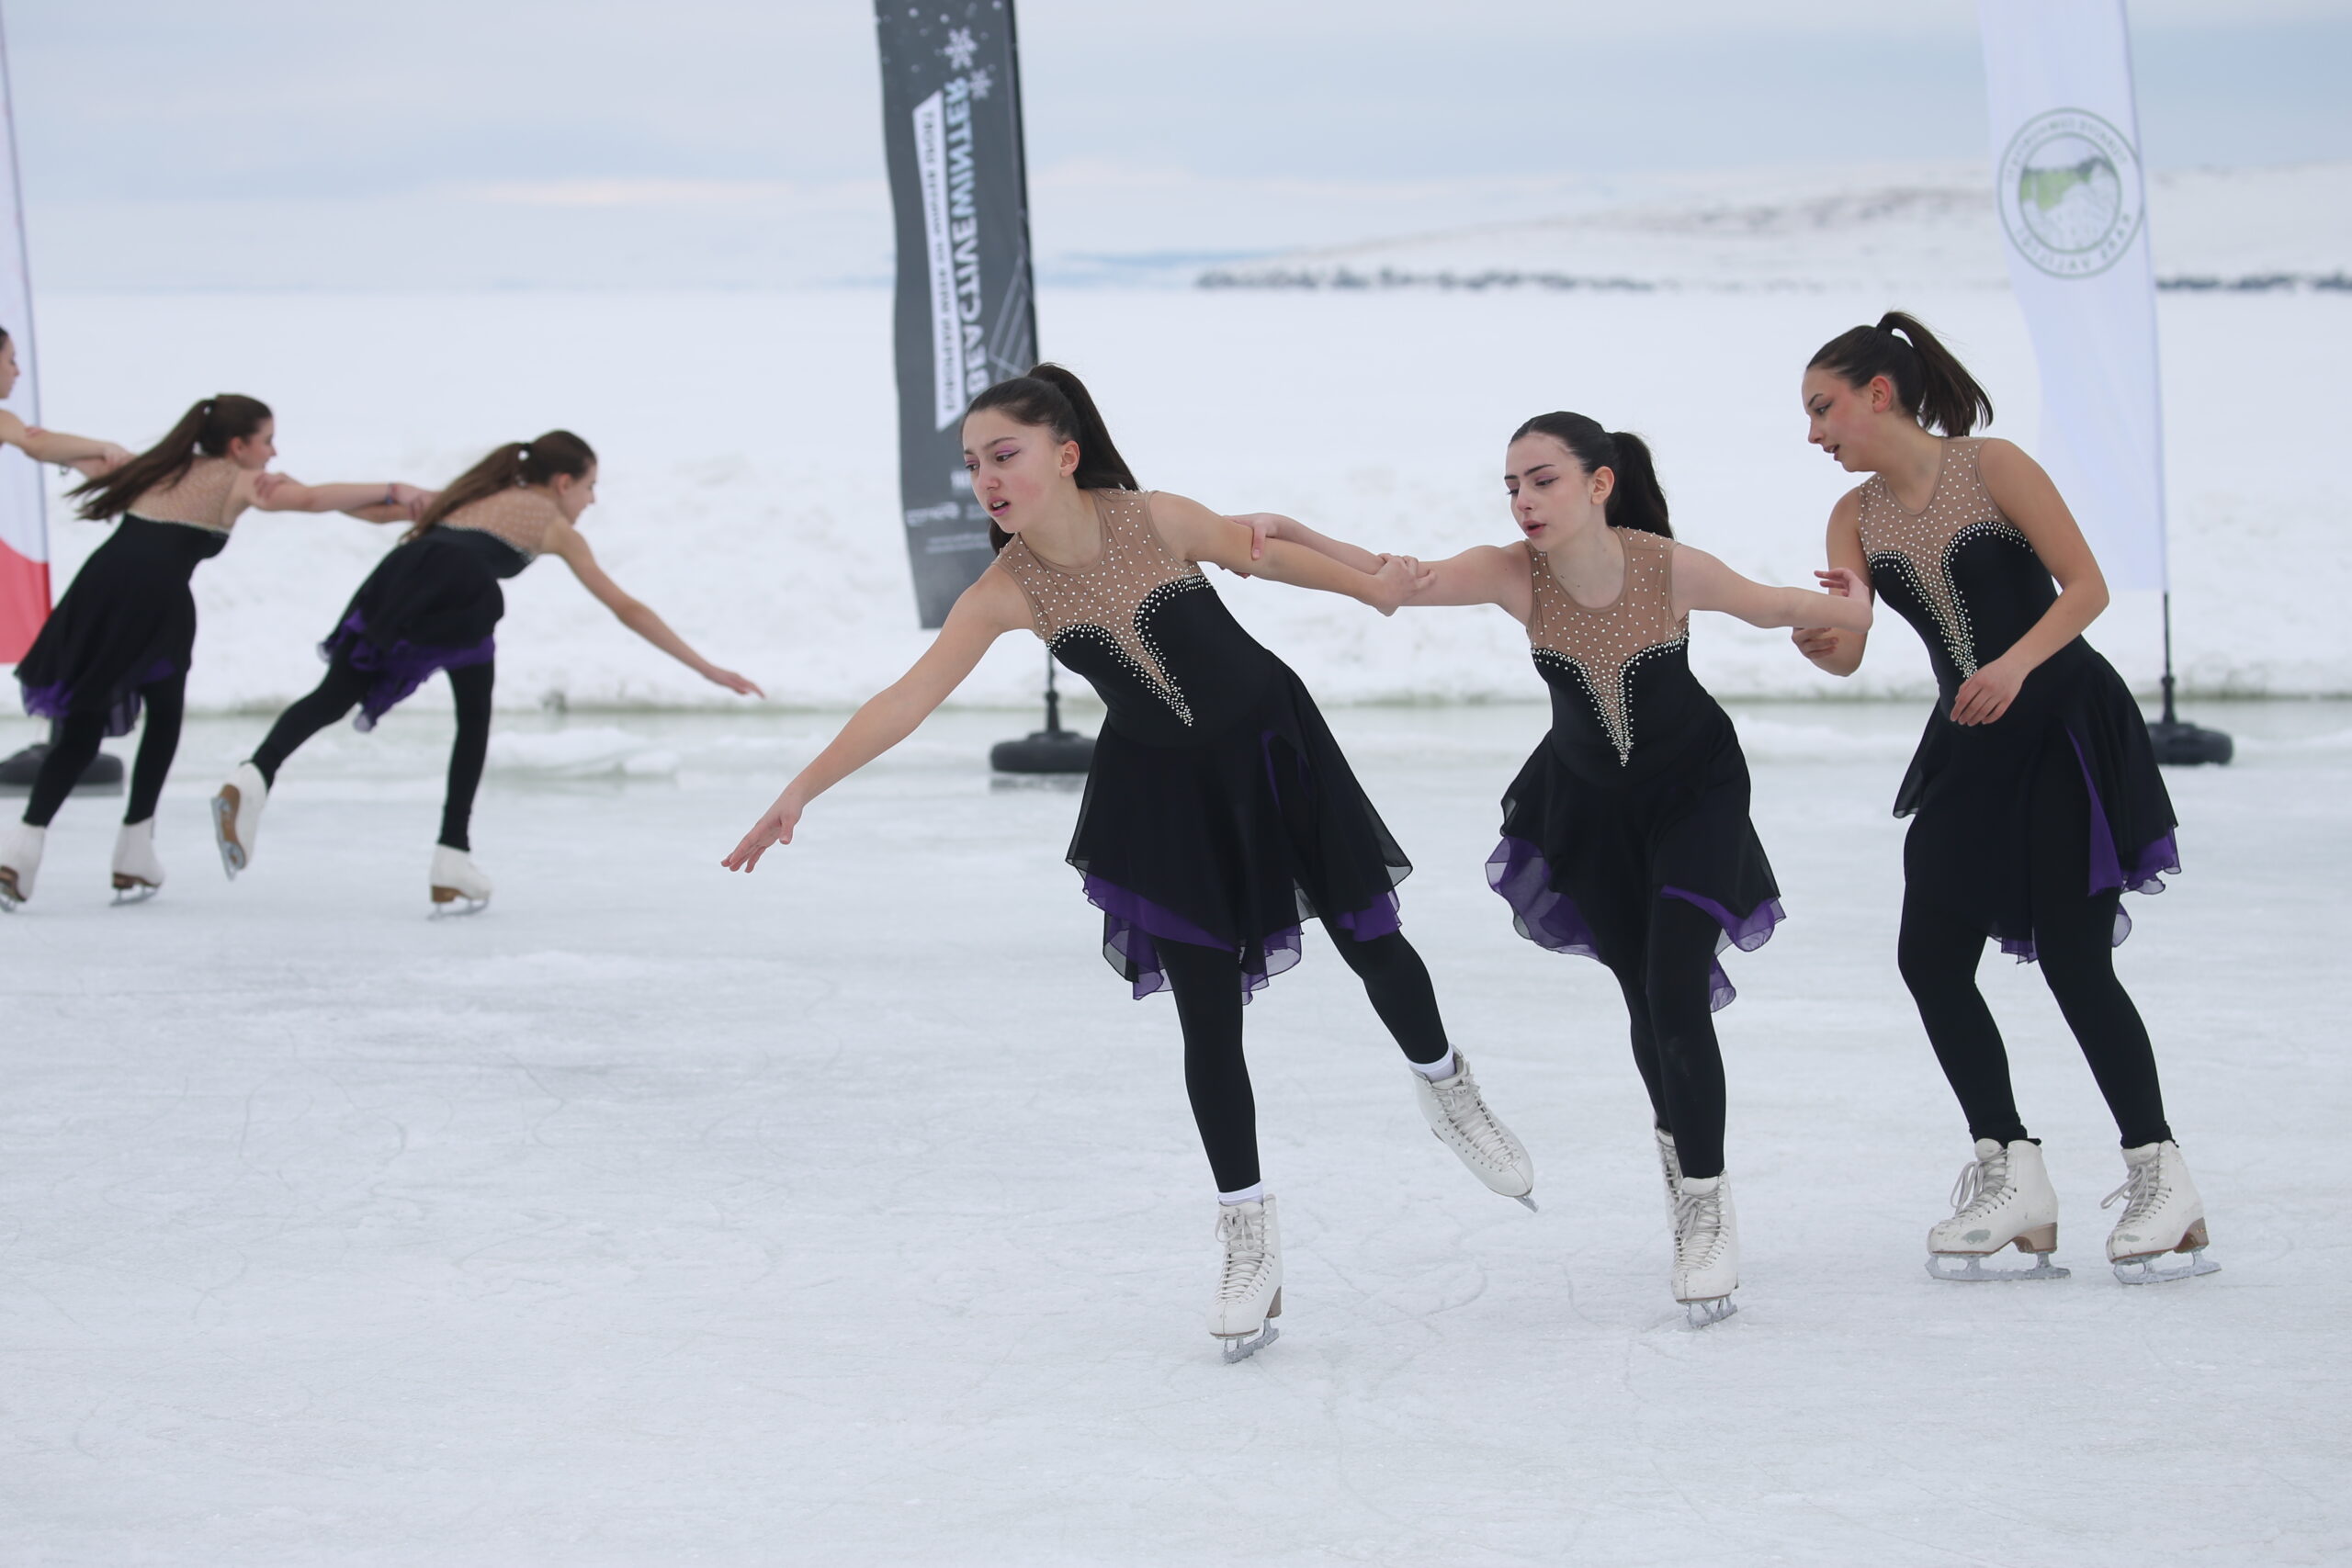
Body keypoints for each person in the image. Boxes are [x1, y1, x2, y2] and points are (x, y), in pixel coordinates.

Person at [722, 366, 1533, 1362]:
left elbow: (1260, 552)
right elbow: (906, 698)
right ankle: (1247, 1236)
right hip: (1163, 797)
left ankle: (1447, 1088)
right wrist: (801, 789)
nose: (986, 478)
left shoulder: (1155, 517)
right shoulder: (1002, 592)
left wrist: (1371, 586)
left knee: (1372, 940)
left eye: (1003, 455)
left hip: (1275, 748)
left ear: (1064, 455)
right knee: (1206, 1019)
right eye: (973, 464)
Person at [1237, 412, 1871, 1324]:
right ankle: (1682, 1149)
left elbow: (1779, 606)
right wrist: (1294, 534)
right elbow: (1394, 583)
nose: (1525, 500)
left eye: (1542, 480)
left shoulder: (1664, 566)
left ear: (1599, 483)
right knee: (1642, 996)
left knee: (1675, 987)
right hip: (1588, 805)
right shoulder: (1510, 572)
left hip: (1694, 790)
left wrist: (1850, 606)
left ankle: (1704, 1201)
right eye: (1512, 486)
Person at [1792, 311, 2210, 1285]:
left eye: (1824, 408)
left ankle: (2161, 1175)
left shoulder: (1992, 467)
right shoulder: (1852, 517)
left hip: (2061, 722)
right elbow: (1850, 648)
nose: (1815, 432)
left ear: (1878, 394)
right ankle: (2010, 1170)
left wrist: (2015, 667)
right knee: (1929, 956)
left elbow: (2086, 587)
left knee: (2074, 959)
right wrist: (1821, 639)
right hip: (1968, 743)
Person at [213, 431, 761, 913]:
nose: (591, 500)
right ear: (563, 482)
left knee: (333, 696)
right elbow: (625, 608)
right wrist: (707, 668)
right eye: (590, 487)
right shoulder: (552, 523)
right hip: (462, 590)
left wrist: (305, 489)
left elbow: (373, 510)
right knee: (473, 721)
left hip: (402, 573)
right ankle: (452, 857)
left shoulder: (474, 494)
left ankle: (254, 774)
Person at [3, 391, 424, 909]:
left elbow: (33, 442)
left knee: (83, 730)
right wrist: (395, 488)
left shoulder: (150, 469)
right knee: (163, 717)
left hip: (98, 592)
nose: (273, 452)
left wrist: (101, 446)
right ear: (237, 445)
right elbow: (314, 500)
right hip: (156, 604)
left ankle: (22, 849)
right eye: (266, 440)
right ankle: (133, 849)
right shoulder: (239, 480)